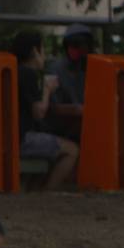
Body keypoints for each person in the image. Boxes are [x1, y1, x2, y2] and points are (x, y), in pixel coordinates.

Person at [10, 31, 77, 189]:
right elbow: (38, 112)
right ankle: (48, 195)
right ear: (35, 51)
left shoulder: (15, 71)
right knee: (72, 150)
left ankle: (36, 192)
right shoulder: (28, 74)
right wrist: (47, 89)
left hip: (12, 136)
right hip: (22, 139)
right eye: (43, 50)